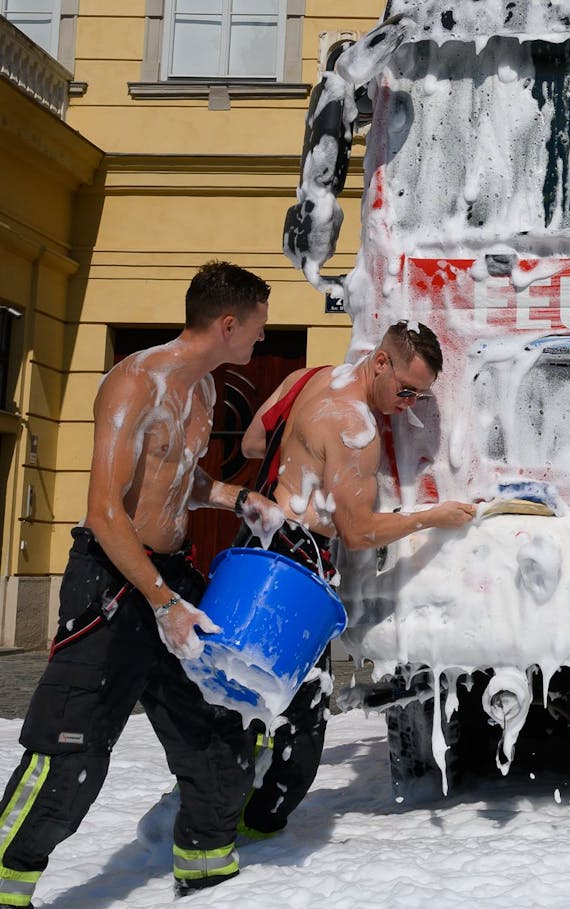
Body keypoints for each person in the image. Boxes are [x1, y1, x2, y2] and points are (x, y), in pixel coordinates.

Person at [0, 261, 284, 904]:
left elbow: (179, 480)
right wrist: (162, 604)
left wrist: (238, 499)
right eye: (259, 328)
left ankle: (206, 870)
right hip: (113, 585)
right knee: (70, 751)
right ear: (228, 322)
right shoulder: (134, 383)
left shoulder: (205, 390)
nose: (261, 340)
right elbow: (105, 512)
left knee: (217, 730)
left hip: (172, 580)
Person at [231, 321, 475, 838]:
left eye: (420, 395)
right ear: (380, 362)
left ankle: (219, 806)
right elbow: (360, 533)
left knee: (243, 689)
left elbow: (255, 442)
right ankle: (254, 830)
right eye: (405, 389)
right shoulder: (356, 428)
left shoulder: (306, 378)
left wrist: (304, 465)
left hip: (258, 547)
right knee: (303, 715)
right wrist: (433, 517)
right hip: (297, 566)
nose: (407, 403)